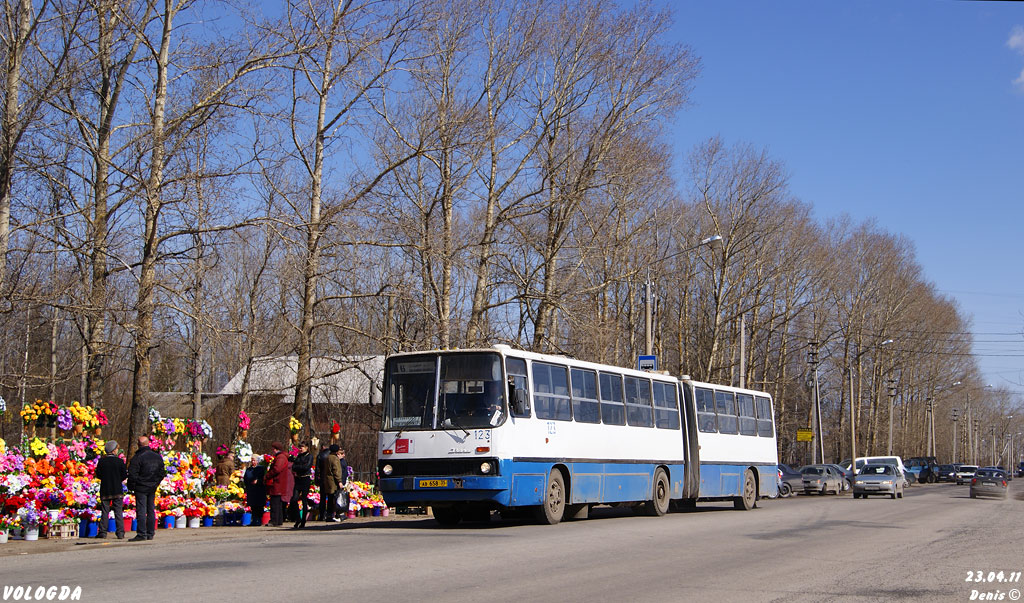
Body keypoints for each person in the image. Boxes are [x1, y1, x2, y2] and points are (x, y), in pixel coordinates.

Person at [127, 436, 166, 542]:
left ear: (139, 445)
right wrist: (155, 483)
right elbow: (161, 472)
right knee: (150, 509)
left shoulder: (137, 457)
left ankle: (142, 533)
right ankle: (150, 532)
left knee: (141, 510)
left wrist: (132, 486)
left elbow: (132, 474)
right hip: (152, 486)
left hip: (141, 486)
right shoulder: (157, 456)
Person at [94, 440, 127, 539]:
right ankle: (120, 532)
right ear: (113, 450)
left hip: (105, 489)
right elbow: (124, 475)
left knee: (105, 511)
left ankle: (103, 532)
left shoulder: (102, 461)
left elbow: (98, 474)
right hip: (117, 489)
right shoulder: (120, 461)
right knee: (118, 511)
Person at [263, 442, 291, 526]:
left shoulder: (280, 458)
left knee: (275, 503)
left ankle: (274, 520)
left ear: (276, 449)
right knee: (278, 503)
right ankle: (278, 520)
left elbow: (276, 469)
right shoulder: (281, 457)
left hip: (277, 483)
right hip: (279, 483)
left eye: (273, 449)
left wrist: (267, 475)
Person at [289, 442, 314, 528]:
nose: (301, 449)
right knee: (293, 499)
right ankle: (298, 518)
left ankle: (303, 520)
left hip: (305, 479)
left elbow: (307, 467)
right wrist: (299, 466)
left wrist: (299, 467)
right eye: (300, 447)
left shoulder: (309, 456)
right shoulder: (299, 456)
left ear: (306, 448)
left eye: (302, 447)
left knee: (304, 500)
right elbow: (294, 467)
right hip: (298, 479)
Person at [242, 456, 266, 526]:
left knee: (259, 505)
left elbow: (264, 478)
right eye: (252, 461)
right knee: (253, 506)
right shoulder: (249, 469)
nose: (253, 462)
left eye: (254, 460)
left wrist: (258, 481)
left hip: (259, 490)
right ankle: (254, 520)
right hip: (251, 489)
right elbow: (246, 478)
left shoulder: (261, 469)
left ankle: (259, 519)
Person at [314, 442, 332, 521]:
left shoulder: (320, 456)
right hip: (331, 479)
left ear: (323, 447)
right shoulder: (332, 455)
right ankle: (330, 514)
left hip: (322, 478)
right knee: (331, 497)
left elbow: (317, 469)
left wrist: (317, 479)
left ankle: (322, 515)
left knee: (322, 498)